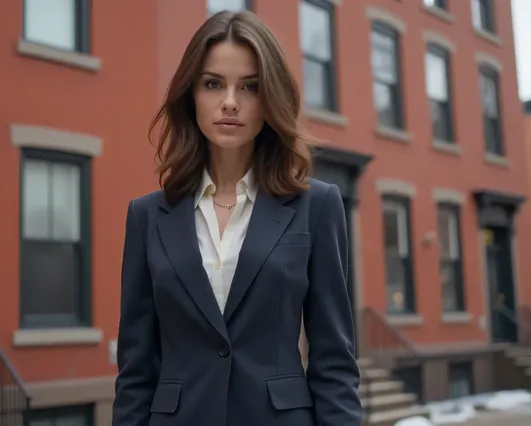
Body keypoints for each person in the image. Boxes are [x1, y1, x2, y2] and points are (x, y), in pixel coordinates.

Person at [112, 10, 361, 426]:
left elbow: (334, 362)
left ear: (271, 100)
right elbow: (135, 370)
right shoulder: (147, 216)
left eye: (250, 87)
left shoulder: (317, 207)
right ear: (191, 95)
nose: (230, 101)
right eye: (213, 84)